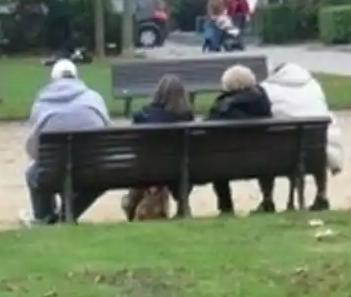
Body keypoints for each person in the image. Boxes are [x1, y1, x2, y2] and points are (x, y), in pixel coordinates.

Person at [22, 59, 110, 225]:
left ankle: (45, 218)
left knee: (34, 174)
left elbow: (33, 149)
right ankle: (64, 216)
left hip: (53, 170)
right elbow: (107, 134)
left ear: (53, 79)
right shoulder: (94, 98)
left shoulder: (41, 102)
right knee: (95, 180)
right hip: (93, 171)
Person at [260, 61, 344, 212]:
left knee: (266, 146)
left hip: (278, 154)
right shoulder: (313, 86)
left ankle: (268, 198)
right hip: (314, 151)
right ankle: (321, 194)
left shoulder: (267, 89)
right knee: (318, 147)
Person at [204, 63, 274, 215]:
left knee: (216, 162)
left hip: (228, 163)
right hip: (263, 160)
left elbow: (207, 127)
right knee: (265, 153)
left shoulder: (222, 108)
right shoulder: (263, 103)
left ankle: (225, 205)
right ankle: (268, 199)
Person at [123, 74, 194, 220]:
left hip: (147, 169)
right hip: (179, 169)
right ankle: (181, 204)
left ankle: (133, 202)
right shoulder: (187, 118)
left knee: (149, 165)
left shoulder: (144, 116)